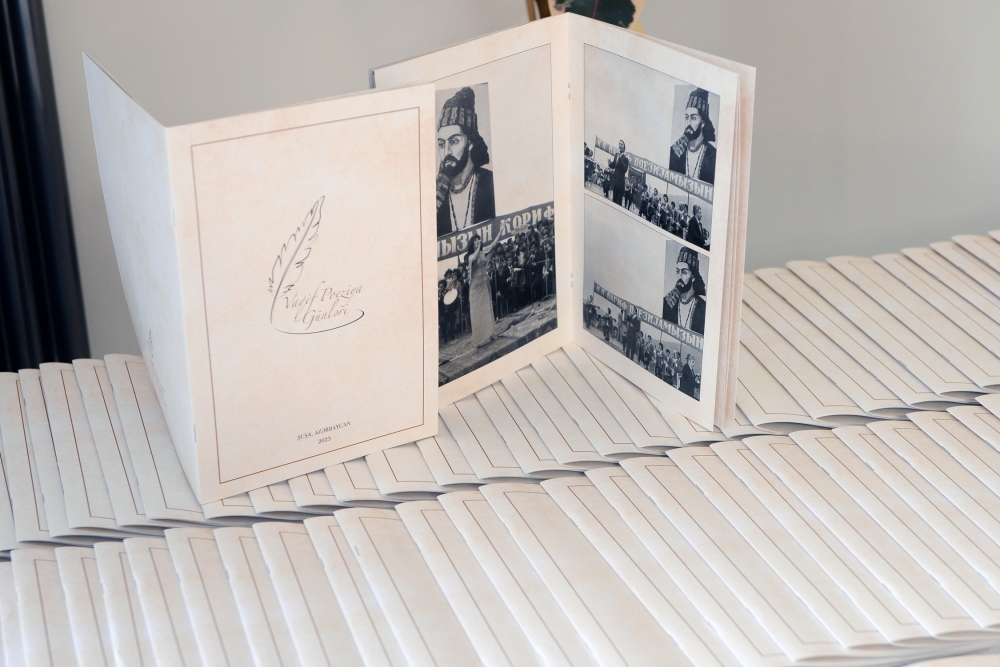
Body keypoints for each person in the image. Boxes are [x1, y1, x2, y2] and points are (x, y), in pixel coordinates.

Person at [437, 87, 496, 237]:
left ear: (470, 142)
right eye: (441, 144)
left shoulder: (490, 183)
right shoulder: (435, 197)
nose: (446, 152)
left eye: (454, 141)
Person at [669, 88, 717, 185]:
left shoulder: (713, 156)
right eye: (687, 117)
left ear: (703, 121)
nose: (688, 123)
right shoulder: (674, 152)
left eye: (693, 118)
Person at [465, 233, 500, 346]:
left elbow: (493, 244)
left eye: (478, 240)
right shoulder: (470, 256)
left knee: (487, 308)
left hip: (484, 283)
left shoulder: (482, 252)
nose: (477, 241)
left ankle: (490, 333)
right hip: (475, 286)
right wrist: (479, 247)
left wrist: (501, 230)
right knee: (477, 312)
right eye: (475, 240)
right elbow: (474, 259)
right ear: (472, 244)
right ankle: (479, 339)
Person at [662, 247, 707, 335]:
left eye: (684, 272)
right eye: (677, 271)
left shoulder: (703, 308)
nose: (679, 276)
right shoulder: (668, 304)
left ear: (693, 277)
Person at [609, 140, 630, 207]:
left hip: (620, 184)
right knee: (614, 201)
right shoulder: (616, 155)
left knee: (618, 203)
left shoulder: (625, 159)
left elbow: (625, 169)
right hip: (615, 181)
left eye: (621, 144)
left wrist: (620, 159)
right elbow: (614, 165)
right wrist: (610, 163)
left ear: (624, 147)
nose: (620, 145)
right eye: (619, 144)